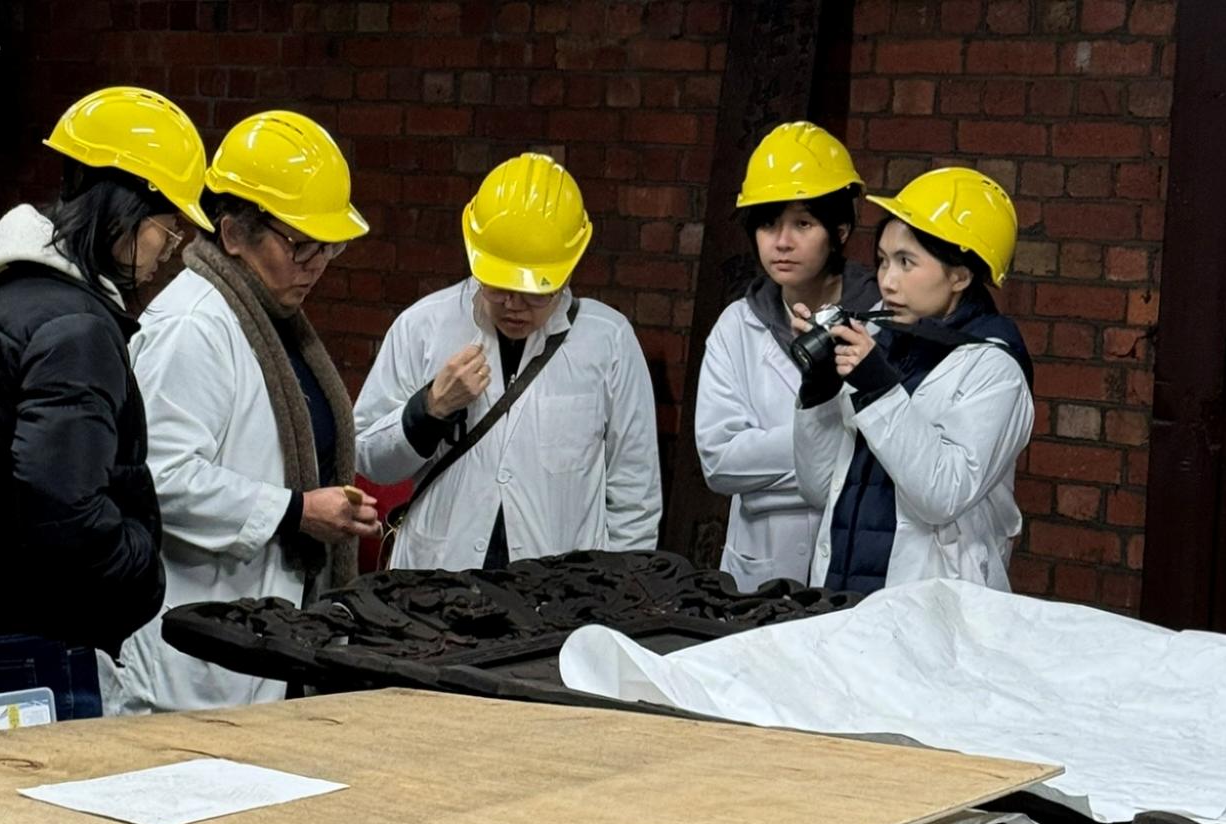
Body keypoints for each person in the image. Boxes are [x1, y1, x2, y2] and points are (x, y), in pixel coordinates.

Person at [0, 86, 214, 721]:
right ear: (123, 210)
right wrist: (140, 567)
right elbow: (64, 507)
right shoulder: (75, 328)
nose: (172, 247)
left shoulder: (10, 295)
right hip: (34, 642)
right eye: (169, 224)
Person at [106, 110, 379, 714]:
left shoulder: (273, 320)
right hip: (194, 656)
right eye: (300, 244)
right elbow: (158, 478)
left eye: (329, 247)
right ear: (232, 234)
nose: (318, 264)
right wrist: (295, 512)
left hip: (264, 639)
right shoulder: (193, 326)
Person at [355, 152, 661, 571]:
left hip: (560, 589)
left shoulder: (608, 341)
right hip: (436, 582)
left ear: (569, 269)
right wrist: (428, 410)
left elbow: (635, 490)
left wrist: (619, 588)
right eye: (498, 286)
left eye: (536, 291)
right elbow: (369, 460)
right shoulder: (423, 326)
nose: (513, 305)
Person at [792, 167, 1034, 594]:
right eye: (884, 260)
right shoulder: (882, 341)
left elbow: (943, 494)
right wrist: (819, 390)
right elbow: (819, 488)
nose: (886, 281)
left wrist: (878, 390)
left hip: (933, 615)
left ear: (960, 275)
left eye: (907, 262)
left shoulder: (996, 369)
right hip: (839, 599)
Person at [694, 121, 878, 592]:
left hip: (856, 560)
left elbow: (889, 461)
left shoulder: (880, 318)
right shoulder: (737, 326)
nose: (781, 241)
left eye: (802, 223)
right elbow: (719, 462)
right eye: (769, 222)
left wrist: (766, 472)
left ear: (838, 230)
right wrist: (833, 445)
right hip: (761, 564)